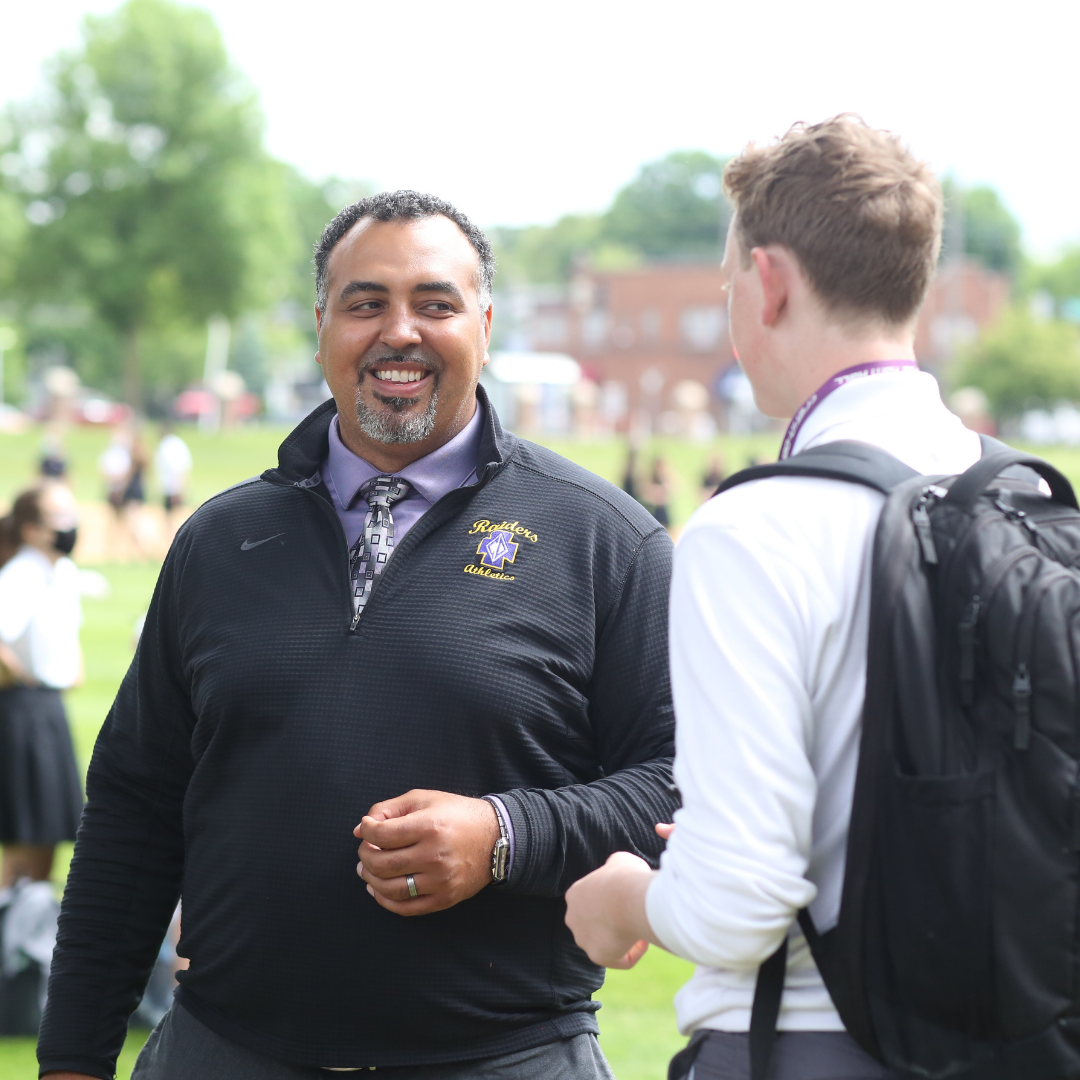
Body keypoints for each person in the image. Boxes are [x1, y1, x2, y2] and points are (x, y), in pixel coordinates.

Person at [39, 190, 677, 1080]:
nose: (400, 332)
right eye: (366, 302)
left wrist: (505, 834)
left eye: (436, 303)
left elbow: (677, 786)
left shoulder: (605, 539)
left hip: (502, 1058)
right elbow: (134, 813)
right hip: (225, 1052)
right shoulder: (219, 543)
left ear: (484, 326)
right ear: (322, 327)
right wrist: (71, 1059)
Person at [564, 116, 978, 1079]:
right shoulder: (1026, 496)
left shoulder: (756, 528)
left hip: (810, 1040)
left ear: (771, 283)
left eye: (727, 283)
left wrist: (628, 896)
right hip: (1004, 1029)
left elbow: (741, 899)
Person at [0, 483, 85, 889]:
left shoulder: (61, 572)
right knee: (25, 834)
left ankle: (25, 931)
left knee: (48, 833)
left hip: (48, 706)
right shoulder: (21, 574)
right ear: (32, 529)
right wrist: (18, 674)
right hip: (23, 710)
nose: (71, 526)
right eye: (59, 519)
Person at [153, 423, 193, 540]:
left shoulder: (167, 446)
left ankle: (174, 539)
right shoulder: (178, 444)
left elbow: (176, 468)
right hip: (174, 486)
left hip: (172, 487)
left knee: (173, 515)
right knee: (171, 515)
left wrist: (177, 488)